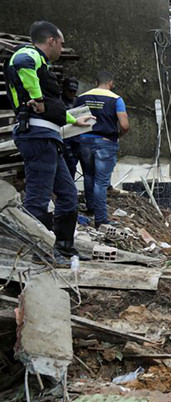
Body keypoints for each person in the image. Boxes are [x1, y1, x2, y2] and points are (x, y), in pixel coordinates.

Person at [6, 21, 94, 262]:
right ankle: (38, 253)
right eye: (61, 43)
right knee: (38, 198)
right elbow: (22, 65)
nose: (62, 48)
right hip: (37, 136)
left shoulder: (41, 65)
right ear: (52, 41)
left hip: (49, 139)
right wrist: (36, 97)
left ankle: (64, 247)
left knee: (68, 195)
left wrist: (75, 122)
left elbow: (52, 109)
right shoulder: (28, 54)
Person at [76, 70, 130, 228]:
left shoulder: (82, 97)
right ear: (111, 83)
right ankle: (100, 219)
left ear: (95, 83)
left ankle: (91, 208)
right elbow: (125, 125)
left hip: (84, 140)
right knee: (101, 182)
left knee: (88, 175)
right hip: (105, 142)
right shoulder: (116, 99)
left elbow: (74, 119)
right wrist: (118, 135)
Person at [60, 77, 81, 180]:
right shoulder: (58, 101)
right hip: (63, 137)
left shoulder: (78, 101)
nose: (71, 93)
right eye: (69, 91)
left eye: (74, 91)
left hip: (76, 137)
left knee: (72, 165)